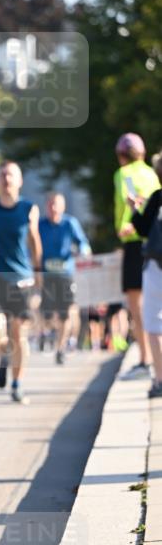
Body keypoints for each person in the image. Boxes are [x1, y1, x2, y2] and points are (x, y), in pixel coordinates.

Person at [0, 161, 42, 404]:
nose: (6, 179)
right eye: (2, 174)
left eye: (11, 175)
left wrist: (38, 271)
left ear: (20, 180)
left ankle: (17, 383)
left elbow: (34, 241)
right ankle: (4, 356)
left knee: (19, 333)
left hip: (21, 278)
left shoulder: (28, 208)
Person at [114, 132, 160, 380]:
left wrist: (125, 227)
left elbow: (124, 205)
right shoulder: (152, 173)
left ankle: (145, 359)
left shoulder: (123, 174)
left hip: (133, 243)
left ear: (121, 155)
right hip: (154, 244)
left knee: (137, 305)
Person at [38, 192, 92, 364]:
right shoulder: (40, 225)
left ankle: (60, 348)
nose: (53, 208)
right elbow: (30, 246)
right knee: (46, 313)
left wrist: (84, 250)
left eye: (57, 204)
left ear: (63, 207)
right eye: (50, 204)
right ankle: (46, 333)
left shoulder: (70, 223)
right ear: (46, 206)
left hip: (65, 274)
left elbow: (82, 242)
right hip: (45, 275)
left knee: (66, 312)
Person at [128, 151, 162, 398]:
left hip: (156, 266)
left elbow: (140, 229)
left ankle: (160, 380)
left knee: (153, 324)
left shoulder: (157, 197)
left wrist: (134, 208)